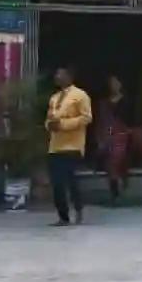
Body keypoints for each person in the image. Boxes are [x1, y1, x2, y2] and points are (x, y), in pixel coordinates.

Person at [45, 66, 92, 225]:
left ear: (69, 77)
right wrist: (49, 125)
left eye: (60, 74)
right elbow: (49, 119)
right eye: (56, 74)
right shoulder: (54, 98)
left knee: (72, 181)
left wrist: (64, 125)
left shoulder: (80, 95)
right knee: (57, 183)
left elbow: (86, 118)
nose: (57, 77)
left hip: (72, 146)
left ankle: (78, 209)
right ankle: (63, 217)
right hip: (55, 146)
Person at [97, 74, 133, 201]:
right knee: (110, 159)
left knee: (118, 157)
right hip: (108, 134)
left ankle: (122, 182)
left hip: (122, 133)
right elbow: (102, 121)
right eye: (111, 82)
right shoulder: (104, 103)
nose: (114, 85)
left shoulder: (126, 101)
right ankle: (114, 190)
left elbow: (130, 119)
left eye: (116, 82)